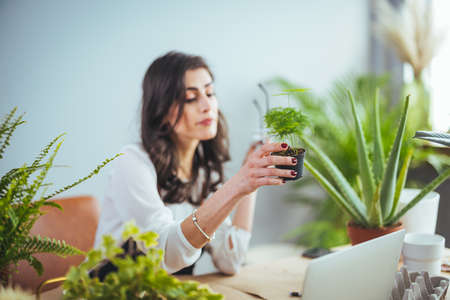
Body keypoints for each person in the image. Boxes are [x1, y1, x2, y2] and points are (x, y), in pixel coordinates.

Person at [94, 51, 298, 275]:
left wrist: (252, 181)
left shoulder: (202, 173)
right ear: (161, 110)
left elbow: (231, 260)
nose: (206, 105)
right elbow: (164, 254)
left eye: (210, 93)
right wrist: (239, 184)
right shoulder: (132, 163)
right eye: (190, 98)